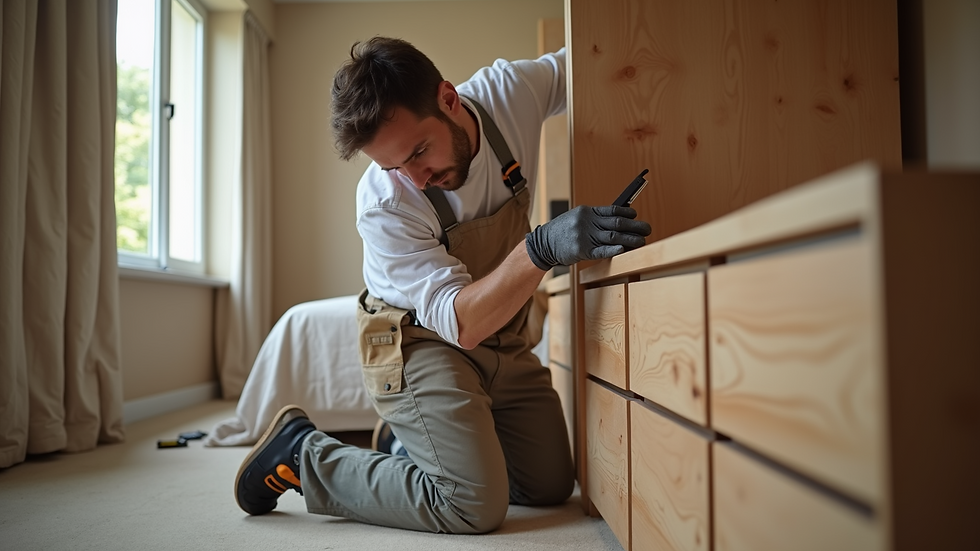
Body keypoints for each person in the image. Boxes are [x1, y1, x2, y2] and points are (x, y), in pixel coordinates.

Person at [233, 36, 652, 534]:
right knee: (471, 505)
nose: (417, 177)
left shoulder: (511, 93)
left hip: (503, 333)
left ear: (449, 99)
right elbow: (461, 323)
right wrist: (541, 249)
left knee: (548, 485)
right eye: (396, 166)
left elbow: (597, 56)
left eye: (419, 152)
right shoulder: (384, 203)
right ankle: (303, 454)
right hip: (421, 344)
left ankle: (407, 443)